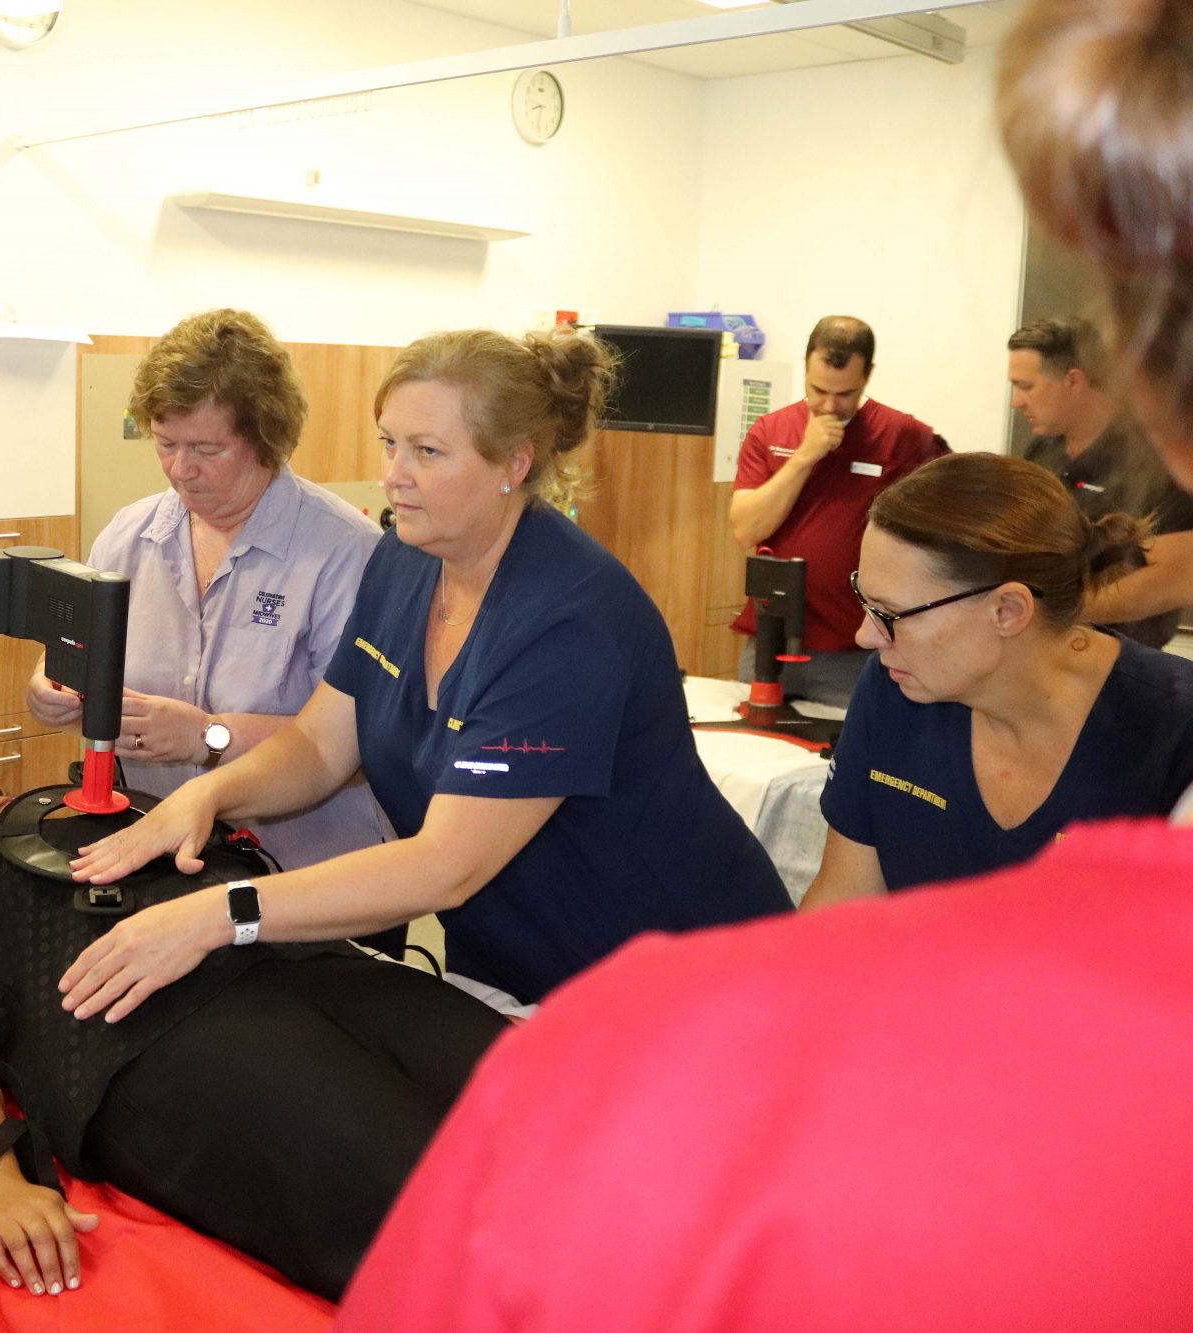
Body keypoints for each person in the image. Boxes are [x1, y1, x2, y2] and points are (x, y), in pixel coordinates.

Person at [336, 6, 1193, 1326]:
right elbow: (839, 929)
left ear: (1014, 611)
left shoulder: (1158, 740)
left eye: (901, 617)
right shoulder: (900, 710)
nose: (876, 637)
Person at [57, 330, 790, 1022]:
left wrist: (224, 914)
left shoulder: (567, 620)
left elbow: (446, 863)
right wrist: (209, 794)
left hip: (684, 976)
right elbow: (320, 745)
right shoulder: (406, 561)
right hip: (516, 968)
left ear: (516, 463)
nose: (393, 476)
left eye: (427, 452)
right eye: (389, 443)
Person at [0, 778, 507, 1301]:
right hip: (154, 1031)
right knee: (427, 1193)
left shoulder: (148, 816)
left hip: (316, 963)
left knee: (549, 1106)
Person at [25, 309, 390, 873]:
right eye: (166, 443)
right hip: (160, 860)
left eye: (206, 450)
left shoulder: (348, 554)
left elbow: (372, 750)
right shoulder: (127, 538)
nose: (179, 470)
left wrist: (208, 736)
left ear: (268, 438)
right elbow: (74, 664)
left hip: (311, 875)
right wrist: (54, 689)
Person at [801, 451, 1193, 909]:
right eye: (865, 603)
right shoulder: (892, 689)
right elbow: (844, 907)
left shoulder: (1174, 732)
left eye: (891, 614)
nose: (866, 636)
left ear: (1008, 610)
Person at [729, 317, 947, 705]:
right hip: (769, 642)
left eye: (845, 393)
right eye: (818, 390)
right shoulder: (770, 431)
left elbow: (947, 526)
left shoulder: (905, 436)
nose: (829, 405)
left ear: (868, 376)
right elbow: (747, 529)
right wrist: (804, 458)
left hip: (856, 651)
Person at [1009, 315, 1193, 647]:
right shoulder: (1042, 449)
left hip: (1117, 656)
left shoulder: (1157, 464)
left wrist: (1053, 610)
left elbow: (1173, 574)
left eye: (1026, 386)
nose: (1016, 402)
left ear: (1074, 381)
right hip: (1039, 643)